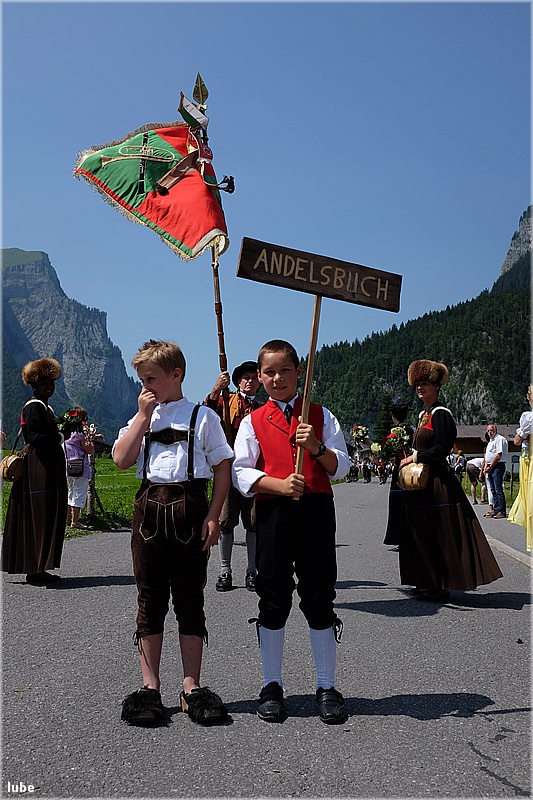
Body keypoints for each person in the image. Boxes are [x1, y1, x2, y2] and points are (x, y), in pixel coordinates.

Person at [112, 340, 233, 726]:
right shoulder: (141, 418)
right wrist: (141, 417)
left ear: (176, 375)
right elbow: (121, 459)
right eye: (141, 380)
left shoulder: (203, 417)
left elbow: (223, 468)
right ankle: (150, 687)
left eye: (151, 379)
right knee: (149, 599)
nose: (145, 386)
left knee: (189, 598)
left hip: (190, 512)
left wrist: (214, 515)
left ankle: (191, 686)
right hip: (148, 514)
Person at [232, 339, 351, 725]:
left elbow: (342, 466)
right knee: (273, 594)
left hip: (316, 510)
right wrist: (278, 485)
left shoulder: (320, 414)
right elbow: (240, 472)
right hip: (273, 512)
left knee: (319, 593)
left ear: (299, 372)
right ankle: (272, 685)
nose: (277, 378)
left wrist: (315, 446)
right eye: (269, 372)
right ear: (260, 376)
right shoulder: (252, 421)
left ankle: (326, 685)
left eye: (285, 370)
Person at [398, 359, 502, 603]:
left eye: (425, 383)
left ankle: (440, 584)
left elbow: (442, 449)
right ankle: (425, 580)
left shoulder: (441, 415)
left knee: (437, 532)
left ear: (436, 386)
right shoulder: (423, 415)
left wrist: (415, 456)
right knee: (421, 532)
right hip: (421, 483)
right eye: (417, 384)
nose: (420, 387)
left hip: (437, 483)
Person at [2, 358, 67, 584]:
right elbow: (36, 438)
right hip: (39, 468)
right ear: (35, 386)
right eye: (44, 383)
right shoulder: (34, 407)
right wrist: (60, 437)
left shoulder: (43, 406)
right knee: (39, 513)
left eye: (51, 383)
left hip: (45, 466)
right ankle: (35, 569)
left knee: (43, 513)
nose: (49, 387)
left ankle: (38, 566)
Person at [204, 361, 260, 592]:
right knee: (225, 521)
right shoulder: (226, 402)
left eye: (254, 378)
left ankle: (252, 571)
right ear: (238, 382)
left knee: (254, 523)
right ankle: (225, 570)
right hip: (227, 470)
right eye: (246, 377)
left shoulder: (262, 408)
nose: (250, 381)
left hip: (254, 472)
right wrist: (217, 388)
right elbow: (208, 412)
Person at [383, 403, 414, 547]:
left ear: (393, 416)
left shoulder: (396, 432)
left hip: (399, 469)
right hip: (411, 468)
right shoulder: (410, 430)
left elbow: (386, 450)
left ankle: (399, 537)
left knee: (397, 504)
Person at [508, 384, 533, 551]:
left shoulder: (529, 417)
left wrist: (523, 435)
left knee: (530, 502)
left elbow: (517, 441)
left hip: (530, 461)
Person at [62, 407, 95, 529]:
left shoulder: (66, 432)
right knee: (79, 493)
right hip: (80, 466)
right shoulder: (80, 433)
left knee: (70, 493)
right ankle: (75, 521)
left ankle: (66, 519)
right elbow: (89, 449)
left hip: (67, 465)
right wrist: (90, 438)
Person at [481, 423, 508, 519]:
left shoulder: (499, 439)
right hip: (490, 466)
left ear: (496, 430)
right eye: (488, 431)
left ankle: (502, 511)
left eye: (491, 430)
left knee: (498, 489)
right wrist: (486, 466)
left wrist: (491, 466)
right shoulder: (491, 441)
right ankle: (496, 510)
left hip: (497, 466)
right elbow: (488, 456)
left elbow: (498, 455)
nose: (490, 432)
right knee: (493, 490)